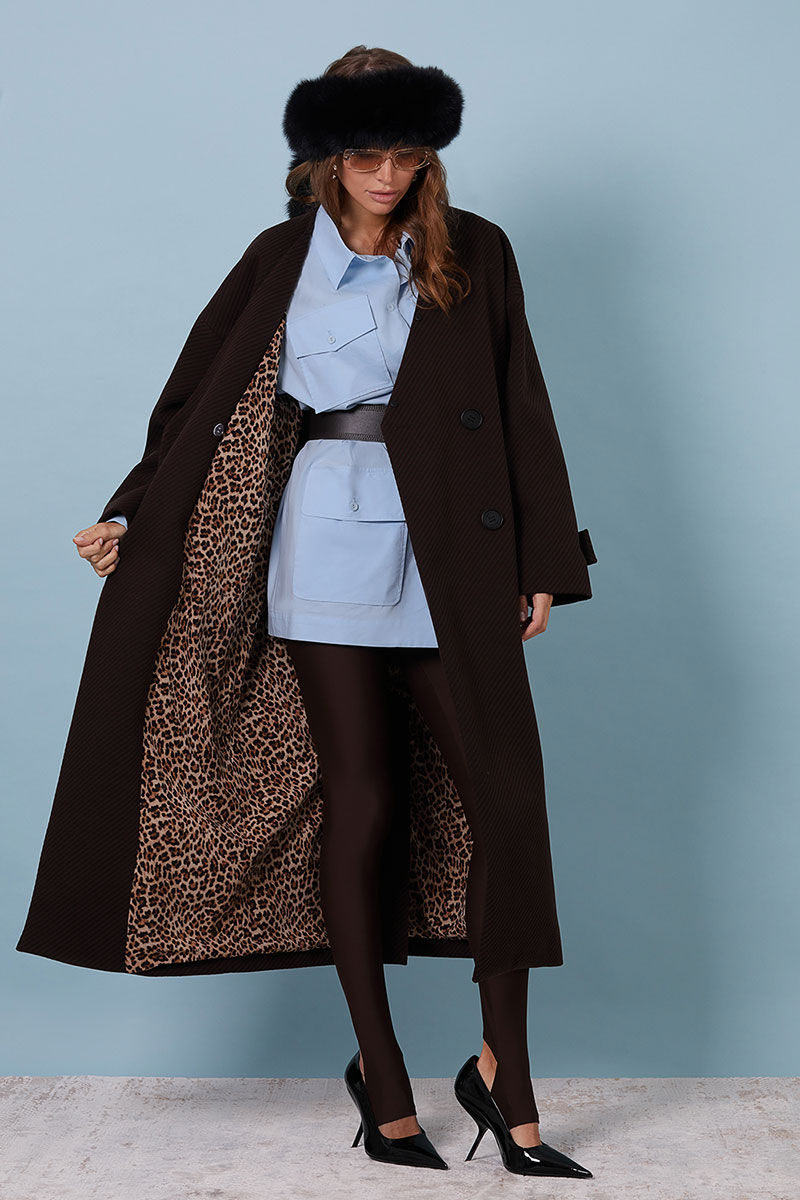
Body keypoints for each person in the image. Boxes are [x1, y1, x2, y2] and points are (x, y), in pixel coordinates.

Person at [20, 47, 596, 1180]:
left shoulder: (474, 250)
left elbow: (520, 397)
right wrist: (134, 512)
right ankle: (382, 1073)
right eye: (366, 154)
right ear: (327, 159)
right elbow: (194, 401)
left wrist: (542, 557)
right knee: (361, 798)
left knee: (502, 802)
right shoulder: (279, 258)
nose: (386, 175)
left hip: (451, 545)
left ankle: (505, 1074)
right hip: (325, 539)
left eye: (406, 154)